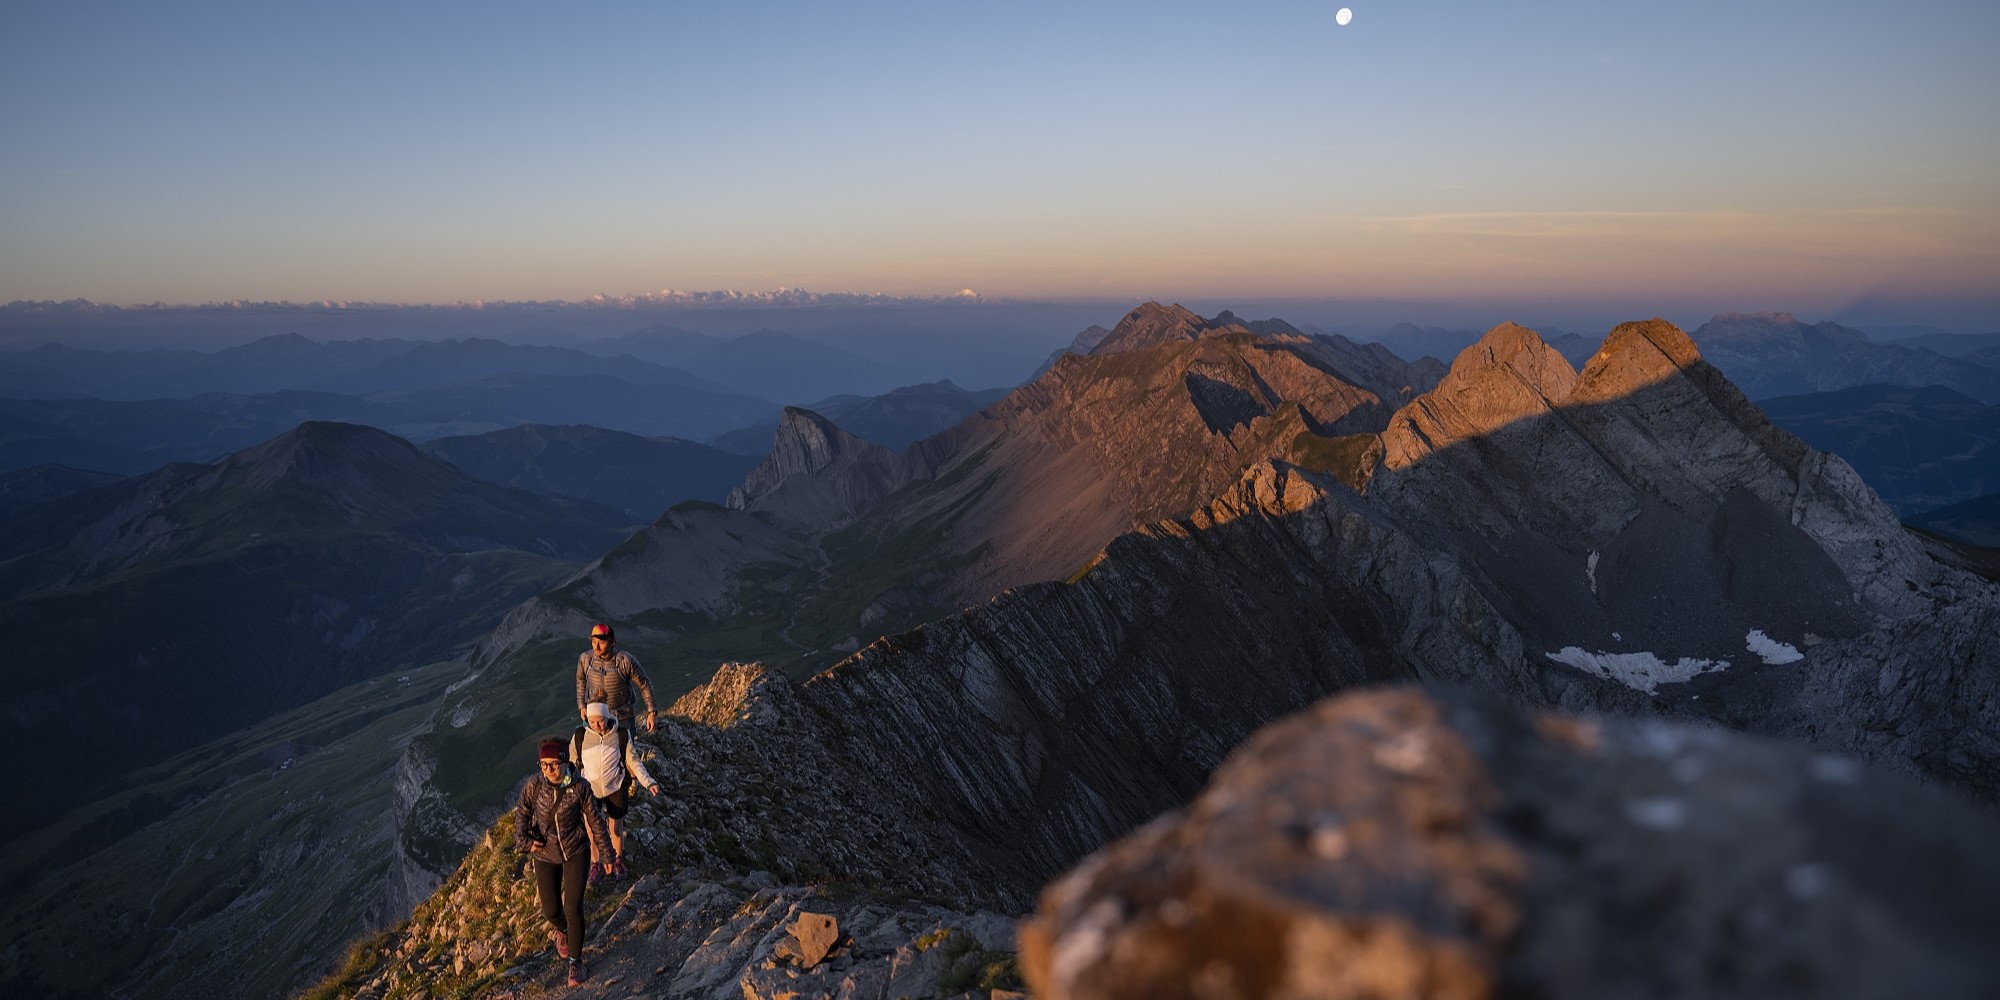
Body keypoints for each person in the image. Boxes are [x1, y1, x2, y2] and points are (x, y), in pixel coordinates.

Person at [516, 738, 613, 987]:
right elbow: (523, 812)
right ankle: (564, 931)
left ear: (565, 762)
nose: (549, 770)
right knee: (551, 911)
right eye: (544, 765)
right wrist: (524, 841)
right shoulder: (534, 786)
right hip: (545, 854)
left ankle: (576, 962)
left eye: (554, 764)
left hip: (575, 852)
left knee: (573, 908)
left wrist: (607, 854)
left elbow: (595, 821)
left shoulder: (580, 787)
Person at [571, 701, 663, 881]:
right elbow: (572, 764)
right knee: (591, 830)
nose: (597, 725)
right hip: (590, 789)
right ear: (587, 719)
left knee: (616, 828)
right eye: (593, 721)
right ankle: (595, 865)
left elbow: (633, 761)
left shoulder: (620, 734)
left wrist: (648, 781)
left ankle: (617, 861)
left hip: (616, 786)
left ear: (607, 717)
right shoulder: (580, 736)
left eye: (601, 721)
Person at [576, 623, 657, 733]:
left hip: (622, 717)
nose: (596, 646)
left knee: (624, 749)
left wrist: (651, 712)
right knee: (590, 749)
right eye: (594, 642)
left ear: (612, 642)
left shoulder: (625, 660)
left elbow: (644, 684)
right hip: (594, 717)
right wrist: (582, 706)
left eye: (602, 642)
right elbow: (581, 680)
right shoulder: (585, 659)